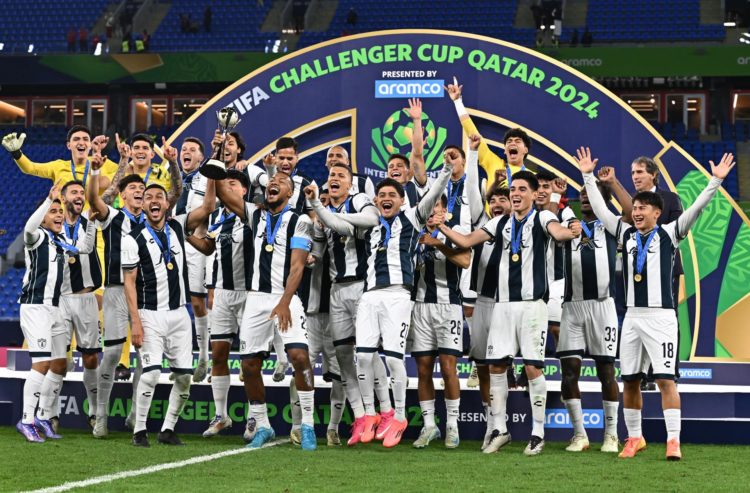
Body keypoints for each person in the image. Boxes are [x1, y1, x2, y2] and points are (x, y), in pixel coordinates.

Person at [576, 147, 735, 461]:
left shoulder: (670, 233)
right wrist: (586, 176)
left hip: (662, 317)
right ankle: (635, 439)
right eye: (634, 208)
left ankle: (673, 441)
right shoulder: (625, 233)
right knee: (631, 380)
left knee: (665, 379)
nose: (636, 212)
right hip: (632, 318)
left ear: (656, 213)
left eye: (642, 208)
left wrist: (715, 181)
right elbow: (601, 209)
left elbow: (698, 208)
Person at [310, 155, 454, 447]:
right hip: (369, 295)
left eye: (392, 195)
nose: (386, 198)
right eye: (382, 195)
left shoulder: (412, 217)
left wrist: (447, 172)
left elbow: (433, 194)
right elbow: (335, 224)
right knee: (362, 356)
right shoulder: (369, 225)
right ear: (375, 201)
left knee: (392, 358)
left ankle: (398, 416)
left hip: (398, 295)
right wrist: (315, 204)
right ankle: (369, 415)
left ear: (402, 201)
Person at [438, 170, 582, 456]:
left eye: (521, 189)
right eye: (513, 189)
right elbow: (466, 242)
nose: (516, 194)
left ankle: (537, 433)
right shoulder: (499, 221)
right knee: (496, 367)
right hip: (502, 306)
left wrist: (569, 231)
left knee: (532, 368)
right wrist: (441, 227)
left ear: (531, 194)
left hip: (532, 306)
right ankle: (500, 429)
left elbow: (558, 232)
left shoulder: (541, 217)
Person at [215, 172, 319, 451]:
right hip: (255, 300)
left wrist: (284, 301)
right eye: (271, 180)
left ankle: (307, 425)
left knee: (299, 356)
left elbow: (297, 267)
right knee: (249, 365)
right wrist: (217, 164)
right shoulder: (255, 215)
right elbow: (224, 194)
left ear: (290, 193)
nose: (273, 183)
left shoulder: (301, 221)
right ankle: (262, 426)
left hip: (286, 297)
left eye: (282, 182)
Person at [122, 177, 214, 447]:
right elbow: (129, 283)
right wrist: (135, 322)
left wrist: (213, 171)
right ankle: (139, 431)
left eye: (158, 197)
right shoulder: (133, 239)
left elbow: (208, 206)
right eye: (147, 197)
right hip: (149, 314)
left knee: (184, 377)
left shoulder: (177, 225)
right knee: (150, 374)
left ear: (166, 203)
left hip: (179, 315)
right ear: (143, 204)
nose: (153, 200)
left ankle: (168, 429)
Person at [16, 183, 95, 442]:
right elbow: (28, 229)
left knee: (58, 364)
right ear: (44, 216)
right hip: (35, 308)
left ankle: (41, 415)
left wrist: (92, 222)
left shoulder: (61, 241)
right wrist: (46, 201)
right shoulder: (37, 237)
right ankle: (26, 420)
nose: (59, 215)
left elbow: (84, 248)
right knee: (40, 364)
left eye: (60, 211)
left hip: (54, 309)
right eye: (53, 212)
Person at [308, 163, 380, 446]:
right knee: (343, 357)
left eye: (341, 176)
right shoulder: (323, 217)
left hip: (362, 287)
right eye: (331, 176)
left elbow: (370, 221)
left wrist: (325, 213)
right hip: (336, 291)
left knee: (367, 355)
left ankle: (381, 412)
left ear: (350, 185)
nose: (334, 179)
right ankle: (361, 417)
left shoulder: (359, 201)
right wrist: (315, 234)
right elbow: (317, 252)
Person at [557, 179, 627, 454]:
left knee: (606, 371)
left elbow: (628, 213)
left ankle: (611, 435)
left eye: (592, 194)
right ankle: (580, 435)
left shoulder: (610, 224)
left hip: (602, 306)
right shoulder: (567, 224)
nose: (585, 198)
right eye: (582, 194)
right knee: (569, 372)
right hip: (572, 306)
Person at [195, 171, 254, 440]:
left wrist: (214, 174)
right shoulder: (218, 217)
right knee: (219, 354)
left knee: (251, 360)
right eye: (225, 182)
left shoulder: (253, 214)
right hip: (223, 293)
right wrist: (184, 234)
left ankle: (255, 416)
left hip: (250, 294)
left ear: (243, 191)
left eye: (233, 184)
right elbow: (208, 248)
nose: (227, 187)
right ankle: (222, 416)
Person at [410, 193, 470, 449]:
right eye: (430, 207)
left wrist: (437, 243)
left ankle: (452, 426)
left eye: (437, 207)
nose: (433, 212)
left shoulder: (455, 231)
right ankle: (429, 425)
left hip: (449, 307)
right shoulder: (413, 233)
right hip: (421, 307)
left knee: (448, 369)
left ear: (445, 210)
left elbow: (465, 261)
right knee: (423, 369)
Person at [290, 187, 345, 447]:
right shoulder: (301, 230)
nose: (320, 205)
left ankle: (333, 428)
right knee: (301, 368)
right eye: (316, 201)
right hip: (310, 314)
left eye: (325, 202)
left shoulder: (340, 229)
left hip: (336, 314)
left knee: (339, 374)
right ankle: (297, 425)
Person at [631, 155, 683, 391]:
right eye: (633, 173)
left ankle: (668, 371)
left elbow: (678, 231)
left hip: (667, 268)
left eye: (639, 172)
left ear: (653, 174)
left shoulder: (670, 198)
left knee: (668, 316)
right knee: (638, 318)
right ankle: (641, 373)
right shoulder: (633, 202)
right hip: (640, 270)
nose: (635, 177)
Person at [58, 180, 103, 430]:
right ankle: (51, 414)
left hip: (86, 298)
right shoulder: (53, 224)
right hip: (61, 299)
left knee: (90, 358)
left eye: (81, 192)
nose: (79, 195)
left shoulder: (90, 218)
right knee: (59, 361)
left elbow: (111, 187)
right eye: (73, 191)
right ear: (63, 197)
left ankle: (95, 412)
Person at [173, 137, 212, 383]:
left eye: (192, 150)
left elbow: (211, 207)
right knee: (174, 302)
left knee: (198, 303)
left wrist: (189, 228)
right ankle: (179, 359)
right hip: (174, 247)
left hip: (197, 246)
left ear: (201, 158)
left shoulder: (208, 180)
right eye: (183, 150)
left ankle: (204, 358)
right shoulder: (173, 180)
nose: (186, 153)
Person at [445, 78, 523, 189]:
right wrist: (457, 102)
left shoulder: (533, 177)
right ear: (505, 150)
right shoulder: (494, 163)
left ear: (526, 149)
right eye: (509, 141)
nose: (512, 143)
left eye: (518, 141)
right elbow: (473, 133)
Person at [3, 126, 118, 191]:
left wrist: (97, 152)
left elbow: (125, 173)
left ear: (90, 144)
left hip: (94, 229)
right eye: (76, 139)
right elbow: (30, 168)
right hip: (64, 228)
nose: (81, 142)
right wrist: (16, 152)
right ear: (69, 145)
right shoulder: (58, 166)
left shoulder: (104, 163)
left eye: (85, 139)